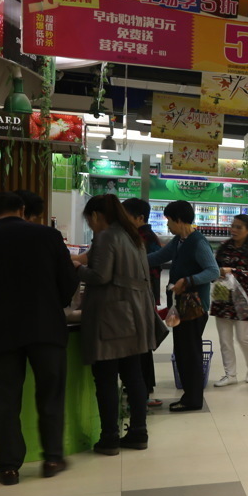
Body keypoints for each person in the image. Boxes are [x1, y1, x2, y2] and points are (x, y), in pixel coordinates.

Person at [0, 192, 79, 483]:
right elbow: (69, 280)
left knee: (3, 400)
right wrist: (55, 303)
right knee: (51, 394)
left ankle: (8, 466)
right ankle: (52, 459)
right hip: (46, 328)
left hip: (0, 332)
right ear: (21, 209)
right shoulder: (48, 236)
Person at [75, 195, 157, 455]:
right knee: (133, 375)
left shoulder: (107, 236)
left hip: (112, 316)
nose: (90, 225)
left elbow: (100, 276)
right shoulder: (132, 235)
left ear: (97, 215)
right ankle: (138, 431)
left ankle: (109, 436)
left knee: (106, 377)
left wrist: (75, 267)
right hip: (134, 312)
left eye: (89, 219)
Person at [148, 200, 219, 412]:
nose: (167, 225)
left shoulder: (197, 242)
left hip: (194, 307)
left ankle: (193, 399)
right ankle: (190, 395)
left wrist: (188, 281)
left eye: (169, 220)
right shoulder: (180, 240)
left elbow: (213, 271)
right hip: (182, 307)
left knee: (190, 353)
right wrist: (133, 259)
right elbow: (159, 257)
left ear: (179, 220)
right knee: (182, 351)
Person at [211, 214, 248, 387]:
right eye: (233, 226)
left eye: (239, 227)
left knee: (243, 338)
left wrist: (231, 271)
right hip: (222, 297)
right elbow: (213, 269)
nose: (234, 230)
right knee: (225, 339)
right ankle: (230, 374)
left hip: (244, 300)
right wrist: (219, 272)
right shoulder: (224, 247)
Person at [123, 198, 164, 408]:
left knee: (143, 344)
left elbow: (149, 268)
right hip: (142, 296)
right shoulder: (137, 236)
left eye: (126, 215)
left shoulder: (145, 237)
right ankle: (143, 386)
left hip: (143, 297)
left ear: (140, 218)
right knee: (142, 344)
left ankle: (144, 389)